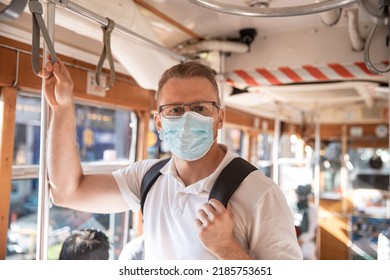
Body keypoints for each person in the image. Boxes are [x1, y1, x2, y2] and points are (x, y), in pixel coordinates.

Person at [39, 57, 302, 260]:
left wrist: (227, 249)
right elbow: (68, 192)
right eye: (175, 110)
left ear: (219, 118)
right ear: (159, 123)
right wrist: (61, 109)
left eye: (200, 108)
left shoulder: (261, 194)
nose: (187, 119)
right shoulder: (146, 178)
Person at [295, 184, 318, 260]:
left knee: (307, 253)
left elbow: (311, 233)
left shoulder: (311, 210)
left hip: (306, 242)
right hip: (293, 240)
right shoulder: (293, 209)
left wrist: (300, 240)